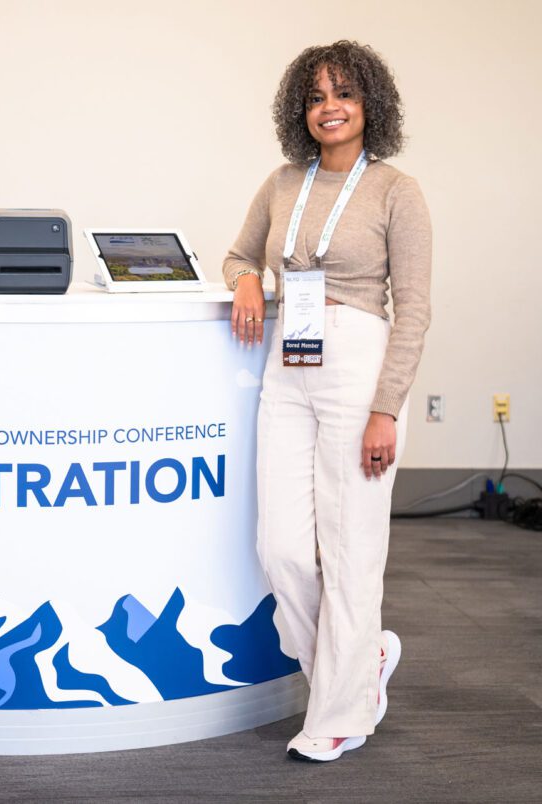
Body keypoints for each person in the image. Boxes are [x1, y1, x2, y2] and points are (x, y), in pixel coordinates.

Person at [222, 41, 431, 762]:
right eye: (315, 97)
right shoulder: (283, 182)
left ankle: (340, 716)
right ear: (299, 111)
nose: (330, 107)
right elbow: (239, 254)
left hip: (359, 367)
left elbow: (415, 309)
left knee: (350, 550)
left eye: (344, 93)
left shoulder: (397, 191)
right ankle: (360, 666)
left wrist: (386, 408)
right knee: (280, 548)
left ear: (371, 103)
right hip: (289, 363)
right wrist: (248, 281)